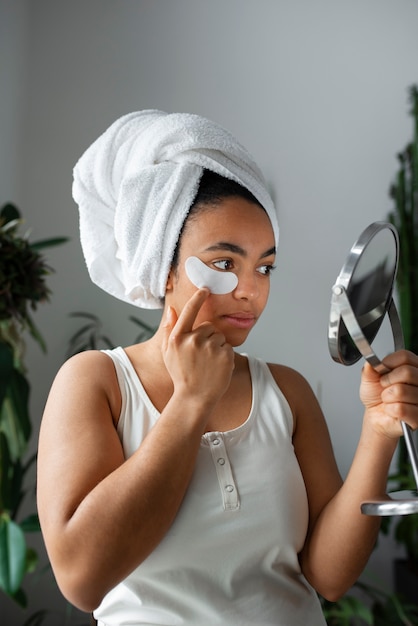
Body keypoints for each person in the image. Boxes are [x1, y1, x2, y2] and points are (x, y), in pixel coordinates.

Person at [37, 110, 418, 626]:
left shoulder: (286, 391)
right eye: (223, 263)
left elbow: (329, 577)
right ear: (162, 264)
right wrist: (191, 402)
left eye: (265, 266)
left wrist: (378, 431)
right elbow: (82, 580)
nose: (251, 289)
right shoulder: (96, 383)